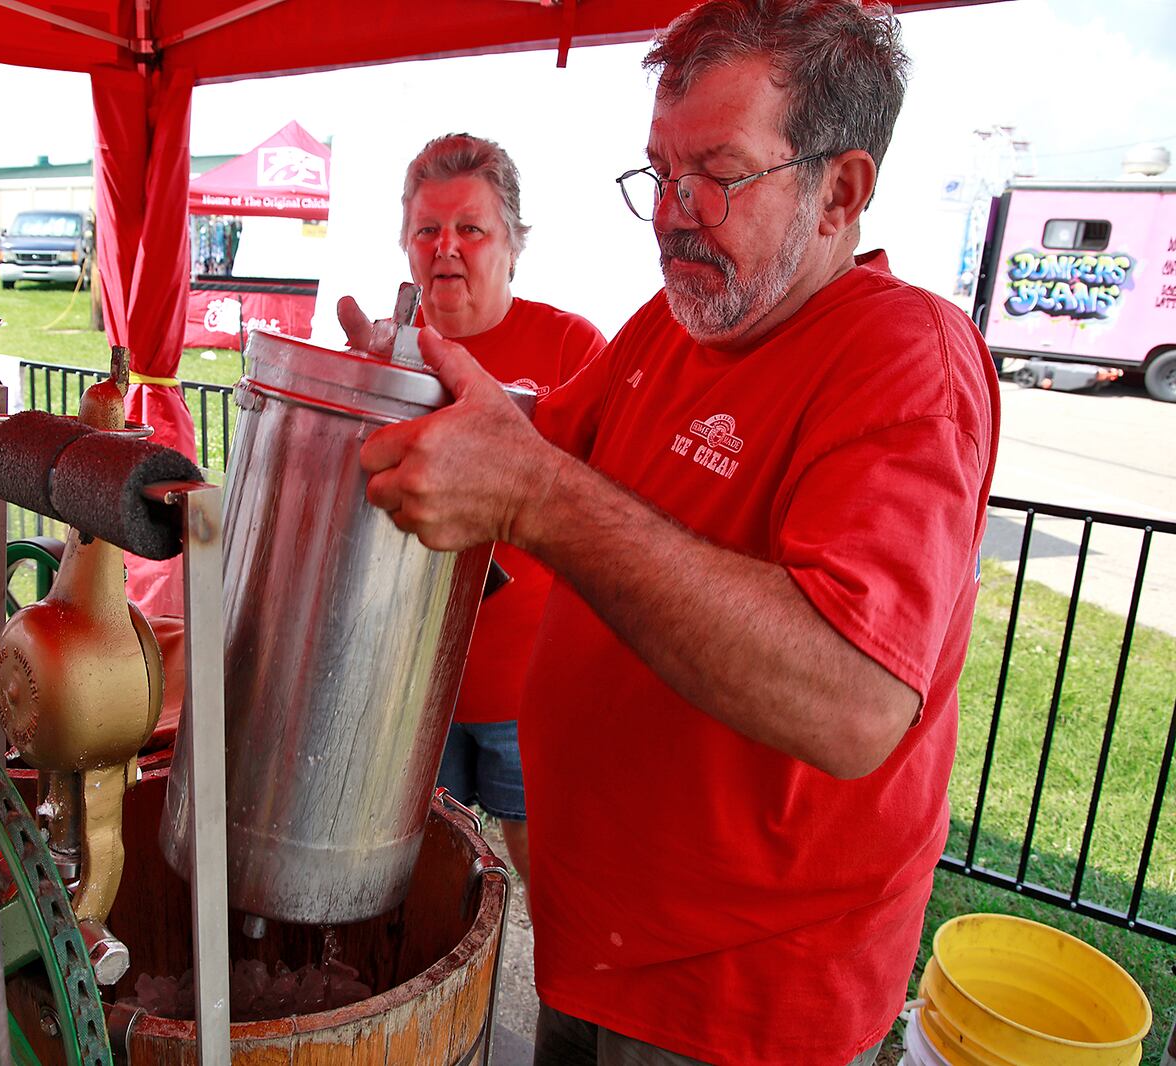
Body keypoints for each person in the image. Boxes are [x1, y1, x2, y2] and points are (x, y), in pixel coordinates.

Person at [347, 2, 1000, 1063]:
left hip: (739, 998)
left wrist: (536, 499)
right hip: (597, 937)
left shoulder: (904, 358)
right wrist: (409, 394)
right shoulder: (677, 320)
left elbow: (854, 697)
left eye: (718, 175)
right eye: (658, 170)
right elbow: (542, 440)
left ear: (840, 191)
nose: (670, 213)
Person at [345, 133, 606, 885]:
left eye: (471, 229)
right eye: (427, 229)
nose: (446, 248)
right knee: (420, 867)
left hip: (525, 687)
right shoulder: (386, 353)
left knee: (544, 870)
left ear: (514, 245)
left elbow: (614, 501)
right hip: (405, 680)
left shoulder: (573, 346)